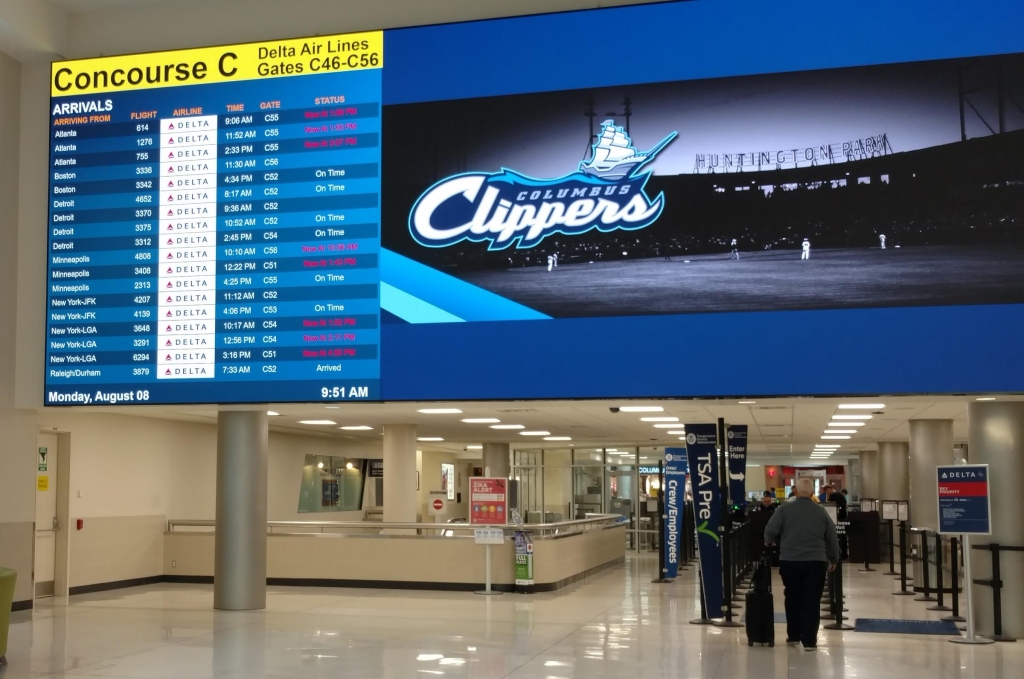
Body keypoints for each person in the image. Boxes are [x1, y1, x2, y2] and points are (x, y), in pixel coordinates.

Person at [764, 477, 841, 651]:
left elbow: (770, 530)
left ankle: (793, 635)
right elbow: (831, 537)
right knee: (812, 600)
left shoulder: (784, 509)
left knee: (792, 597)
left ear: (795, 491)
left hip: (790, 561)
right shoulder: (821, 512)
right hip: (816, 562)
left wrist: (769, 542)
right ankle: (810, 641)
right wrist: (834, 558)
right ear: (813, 494)